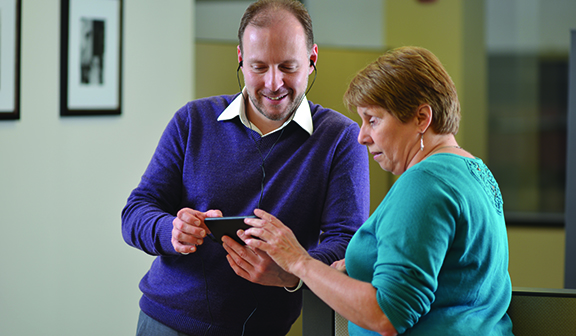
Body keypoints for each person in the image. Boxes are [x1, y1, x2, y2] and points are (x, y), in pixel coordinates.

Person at [121, 0, 370, 335]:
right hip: (164, 321)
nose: (273, 83)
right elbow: (136, 212)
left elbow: (348, 243)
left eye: (287, 67)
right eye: (258, 67)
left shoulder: (340, 138)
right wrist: (171, 231)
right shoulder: (192, 120)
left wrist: (289, 268)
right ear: (240, 58)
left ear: (312, 60)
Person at [241, 46, 514, 335]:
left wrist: (299, 261)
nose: (362, 136)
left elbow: (388, 316)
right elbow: (454, 275)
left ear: (422, 118)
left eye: (373, 120)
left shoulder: (424, 183)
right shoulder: (474, 170)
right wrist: (364, 265)